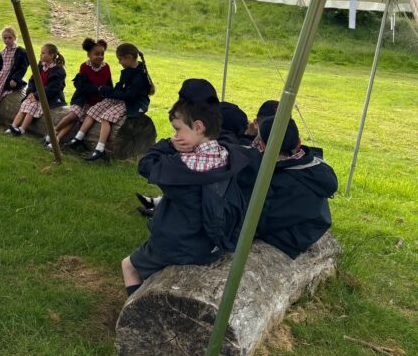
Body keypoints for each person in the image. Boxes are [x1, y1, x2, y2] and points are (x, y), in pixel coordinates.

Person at [121, 79, 251, 297]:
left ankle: (133, 309)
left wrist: (169, 145)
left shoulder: (180, 168)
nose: (176, 136)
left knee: (128, 265)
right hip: (213, 243)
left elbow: (145, 165)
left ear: (198, 127)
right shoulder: (230, 155)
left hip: (182, 245)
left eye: (178, 130)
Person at [237, 117, 338, 258]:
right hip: (311, 227)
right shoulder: (317, 168)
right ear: (299, 142)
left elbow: (252, 222)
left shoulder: (271, 181)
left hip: (287, 239)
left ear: (264, 146)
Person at [72, 42, 153, 162]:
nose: (119, 62)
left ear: (129, 57)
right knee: (94, 109)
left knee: (106, 117)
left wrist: (112, 93)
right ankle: (78, 138)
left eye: (120, 59)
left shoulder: (139, 75)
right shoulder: (128, 70)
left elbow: (129, 96)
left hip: (133, 103)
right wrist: (109, 91)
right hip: (122, 98)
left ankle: (99, 149)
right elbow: (120, 87)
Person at [49, 37, 111, 149]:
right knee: (73, 115)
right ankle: (53, 133)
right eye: (97, 54)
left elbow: (109, 84)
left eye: (102, 54)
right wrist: (97, 89)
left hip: (96, 102)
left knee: (76, 120)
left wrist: (108, 93)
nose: (100, 57)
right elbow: (82, 86)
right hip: (82, 99)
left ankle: (57, 140)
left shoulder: (106, 67)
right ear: (89, 55)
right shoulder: (84, 67)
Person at [5, 43, 66, 136]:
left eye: (43, 53)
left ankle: (22, 129)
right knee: (25, 104)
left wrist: (37, 96)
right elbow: (33, 80)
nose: (40, 55)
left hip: (49, 97)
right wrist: (30, 92)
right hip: (36, 94)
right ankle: (13, 126)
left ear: (51, 55)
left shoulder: (58, 70)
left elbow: (52, 88)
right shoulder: (41, 65)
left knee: (32, 106)